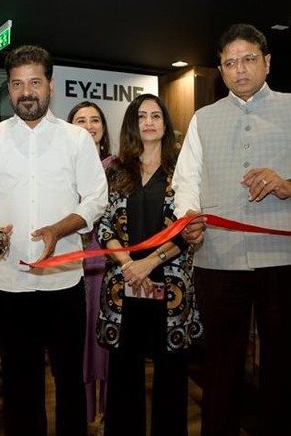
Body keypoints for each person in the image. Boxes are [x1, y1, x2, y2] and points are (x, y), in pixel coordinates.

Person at [0, 45, 108, 436]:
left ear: (50, 85)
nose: (26, 92)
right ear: (9, 89)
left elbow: (96, 198)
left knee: (69, 381)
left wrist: (59, 230)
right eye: (17, 84)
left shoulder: (77, 140)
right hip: (9, 283)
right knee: (18, 383)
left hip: (64, 282)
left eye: (34, 83)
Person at [172, 23, 291, 436]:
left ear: (267, 62)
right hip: (218, 257)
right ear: (221, 70)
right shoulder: (203, 119)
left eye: (249, 59)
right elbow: (186, 179)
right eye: (230, 62)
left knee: (282, 364)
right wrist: (189, 218)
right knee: (221, 365)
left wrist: (287, 184)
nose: (240, 69)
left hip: (282, 259)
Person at [96, 93, 203, 436]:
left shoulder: (182, 172)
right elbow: (104, 226)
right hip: (124, 285)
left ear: (166, 124)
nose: (149, 122)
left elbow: (187, 229)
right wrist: (129, 264)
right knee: (124, 373)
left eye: (156, 116)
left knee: (171, 374)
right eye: (141, 116)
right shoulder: (116, 172)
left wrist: (149, 263)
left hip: (170, 289)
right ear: (132, 124)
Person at [67, 101, 113, 428]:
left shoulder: (118, 168)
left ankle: (110, 416)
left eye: (94, 120)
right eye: (80, 120)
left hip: (109, 262)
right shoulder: (62, 168)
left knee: (108, 338)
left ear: (103, 128)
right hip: (71, 263)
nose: (88, 125)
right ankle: (81, 418)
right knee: (77, 339)